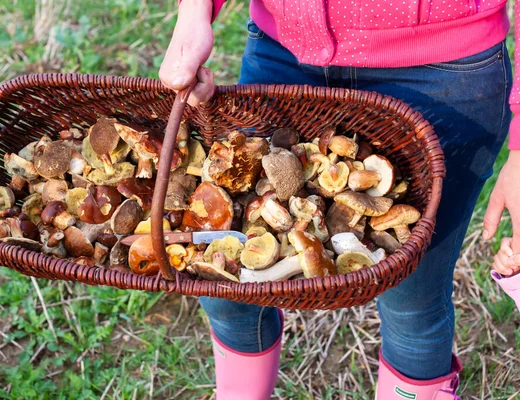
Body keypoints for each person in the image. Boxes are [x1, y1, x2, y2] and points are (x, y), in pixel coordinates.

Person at [159, 0, 520, 398]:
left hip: (441, 72)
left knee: (412, 299)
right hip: (284, 50)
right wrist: (195, 12)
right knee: (227, 277)